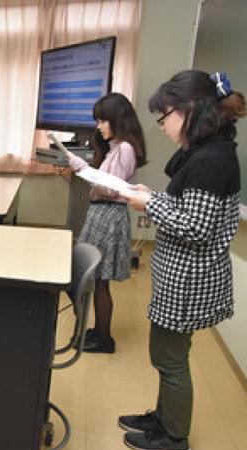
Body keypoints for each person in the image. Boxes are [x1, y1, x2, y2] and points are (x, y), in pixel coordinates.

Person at [122, 70, 244, 450]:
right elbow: (189, 208)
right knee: (168, 355)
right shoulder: (208, 150)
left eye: (164, 117)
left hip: (189, 281)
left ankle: (174, 438)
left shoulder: (213, 159)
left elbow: (195, 226)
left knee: (170, 359)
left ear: (190, 110)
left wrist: (148, 203)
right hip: (183, 276)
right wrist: (152, 194)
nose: (160, 125)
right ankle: (164, 418)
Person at [63, 93, 146, 353]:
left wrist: (82, 169)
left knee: (100, 279)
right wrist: (79, 171)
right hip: (102, 214)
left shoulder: (125, 149)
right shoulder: (114, 148)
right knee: (97, 278)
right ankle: (99, 332)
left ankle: (104, 338)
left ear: (117, 120)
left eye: (102, 121)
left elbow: (111, 189)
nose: (99, 126)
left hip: (109, 216)